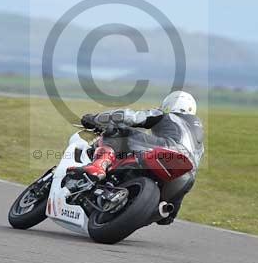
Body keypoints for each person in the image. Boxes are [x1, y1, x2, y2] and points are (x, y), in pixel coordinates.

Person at [73, 90, 204, 224]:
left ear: (168, 105)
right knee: (166, 218)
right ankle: (157, 210)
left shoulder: (166, 115)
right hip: (187, 174)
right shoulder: (199, 135)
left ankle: (99, 166)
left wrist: (94, 119)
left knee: (118, 133)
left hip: (167, 150)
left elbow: (130, 117)